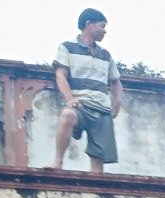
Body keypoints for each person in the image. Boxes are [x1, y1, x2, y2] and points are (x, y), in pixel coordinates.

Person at [49, 9, 123, 172]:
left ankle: (95, 187)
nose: (105, 31)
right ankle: (58, 162)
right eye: (102, 26)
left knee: (98, 159)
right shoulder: (67, 47)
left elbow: (116, 82)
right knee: (67, 115)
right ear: (89, 24)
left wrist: (116, 103)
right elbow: (60, 74)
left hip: (102, 108)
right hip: (80, 104)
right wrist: (69, 98)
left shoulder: (105, 55)